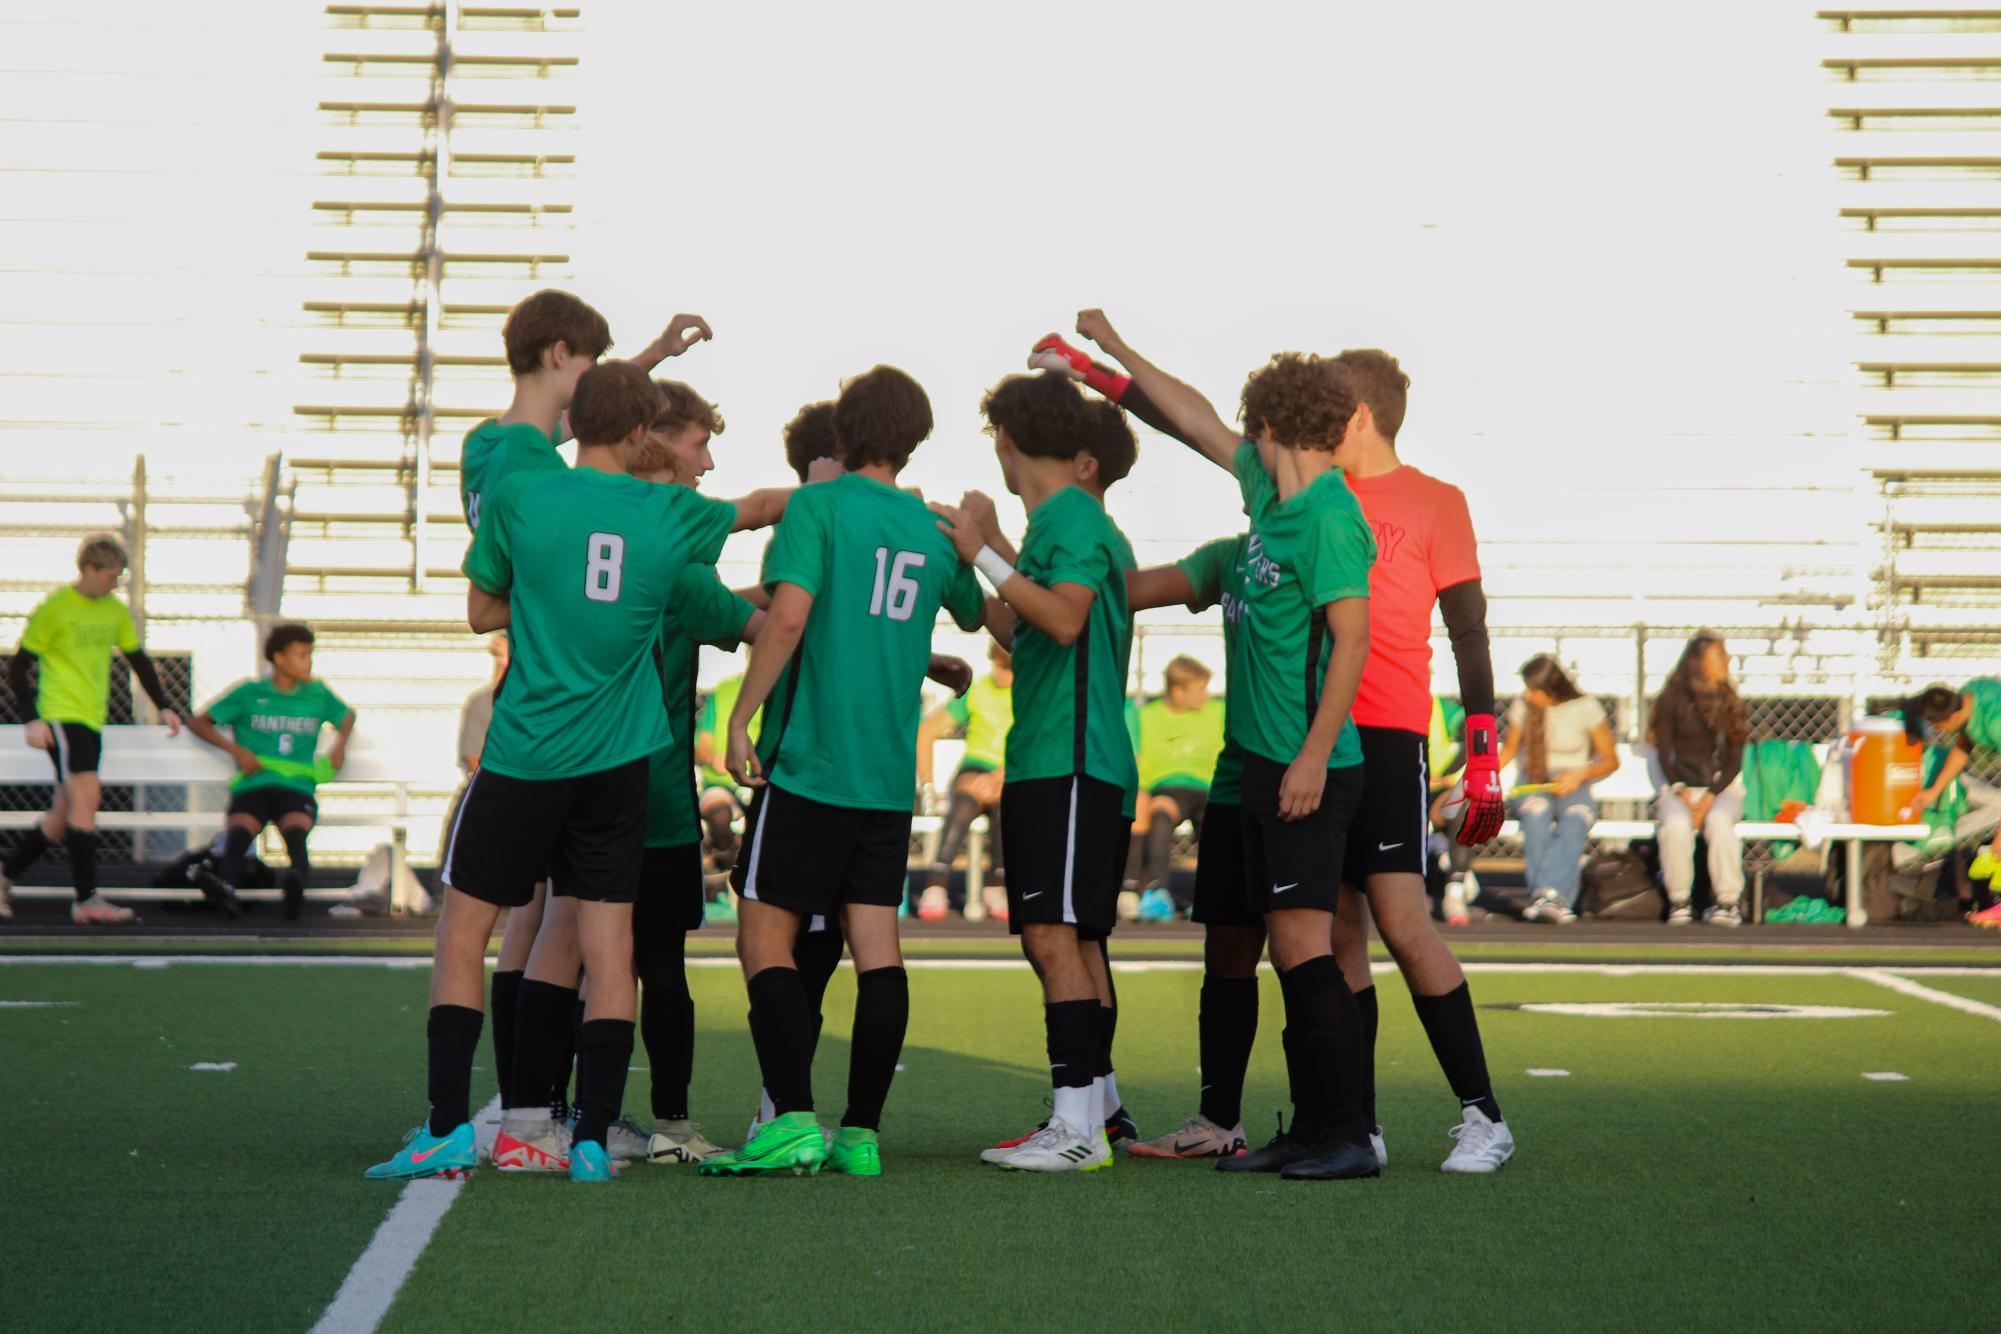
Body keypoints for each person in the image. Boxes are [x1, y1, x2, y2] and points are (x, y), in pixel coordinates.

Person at [366, 360, 744, 1185]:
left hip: (529, 752)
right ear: (644, 434)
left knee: (468, 935)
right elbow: (757, 521)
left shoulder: (523, 495)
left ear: (577, 419)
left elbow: (479, 610)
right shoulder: (668, 513)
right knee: (611, 951)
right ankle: (590, 1138)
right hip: (620, 763)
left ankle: (449, 1128)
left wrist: (550, 599)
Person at [1072, 311, 1380, 1182]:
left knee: (1301, 946)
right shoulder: (1265, 498)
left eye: (1250, 426)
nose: (1237, 438)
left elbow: (1351, 640)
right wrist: (1116, 352)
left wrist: (1314, 757)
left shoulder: (1325, 515)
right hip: (1247, 764)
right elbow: (1193, 419)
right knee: (1233, 944)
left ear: (1270, 426)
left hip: (1303, 765)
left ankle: (1343, 1135)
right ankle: (1239, 1121)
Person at [493, 378, 794, 1175]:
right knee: (635, 958)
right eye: (698, 444)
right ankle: (643, 1120)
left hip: (544, 763)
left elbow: (493, 603)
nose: (707, 460)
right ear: (649, 442)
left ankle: (532, 1113)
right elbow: (757, 601)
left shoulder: (562, 512)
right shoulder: (665, 538)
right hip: (636, 789)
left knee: (536, 936)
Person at [704, 364, 985, 1179]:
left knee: (763, 935)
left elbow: (787, 617)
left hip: (813, 766)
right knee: (877, 946)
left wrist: (738, 716)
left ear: (841, 436)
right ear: (914, 439)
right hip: (887, 779)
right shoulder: (931, 529)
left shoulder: (817, 507)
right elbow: (970, 613)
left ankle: (791, 1116)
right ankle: (860, 1133)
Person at [932, 369, 1141, 1173]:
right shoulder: (1061, 523)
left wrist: (983, 546)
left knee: (1055, 937)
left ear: (1007, 442)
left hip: (1071, 761)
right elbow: (1024, 630)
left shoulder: (1071, 520)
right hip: (1063, 760)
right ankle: (1098, 1111)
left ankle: (1076, 1128)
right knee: (1072, 939)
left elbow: (1060, 617)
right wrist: (974, 570)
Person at [1122, 533, 1255, 1159]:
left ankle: (1344, 1121)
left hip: (1300, 778)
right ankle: (1217, 1121)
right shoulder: (1230, 555)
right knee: (1226, 947)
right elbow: (1124, 590)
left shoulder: (1329, 530)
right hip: (1225, 787)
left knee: (1318, 946)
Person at [0, 533, 184, 925]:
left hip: (91, 717)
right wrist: (31, 718)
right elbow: (18, 668)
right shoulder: (54, 608)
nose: (113, 583)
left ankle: (3, 876)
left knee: (63, 812)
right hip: (61, 715)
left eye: (119, 576)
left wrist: (165, 706)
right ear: (88, 569)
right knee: (88, 796)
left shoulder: (114, 612)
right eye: (109, 575)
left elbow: (139, 660)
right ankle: (86, 898)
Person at [183, 623, 355, 921]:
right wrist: (235, 750)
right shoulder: (250, 692)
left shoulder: (317, 693)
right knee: (240, 829)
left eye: (309, 655)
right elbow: (199, 722)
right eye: (301, 655)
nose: (308, 662)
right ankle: (226, 888)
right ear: (279, 658)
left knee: (296, 829)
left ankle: (295, 885)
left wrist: (339, 745)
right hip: (255, 782)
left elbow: (347, 715)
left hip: (297, 785)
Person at [1498, 655, 1619, 924]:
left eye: (1534, 689)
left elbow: (1610, 759)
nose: (1529, 695)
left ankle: (1549, 895)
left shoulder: (1585, 707)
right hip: (1534, 781)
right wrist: (1479, 775)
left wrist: (1581, 773)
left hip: (1574, 780)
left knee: (1576, 818)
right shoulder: (1524, 706)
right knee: (1536, 815)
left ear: (1552, 688)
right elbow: (1508, 750)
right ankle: (1552, 897)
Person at [1649, 633, 1748, 928]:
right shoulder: (1671, 699)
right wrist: (1680, 790)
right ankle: (1680, 899)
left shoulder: (1730, 699)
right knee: (1676, 825)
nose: (1726, 661)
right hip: (1679, 788)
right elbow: (1665, 753)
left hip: (1721, 788)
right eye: (1720, 656)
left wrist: (1710, 796)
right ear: (1700, 661)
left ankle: (1727, 902)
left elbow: (1734, 760)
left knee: (1719, 823)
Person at [914, 642, 1013, 921]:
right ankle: (936, 884)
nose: (997, 671)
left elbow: (1040, 741)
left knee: (1007, 800)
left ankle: (997, 885)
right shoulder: (978, 691)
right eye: (994, 663)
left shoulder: (1032, 693)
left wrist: (999, 777)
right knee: (967, 797)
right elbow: (927, 731)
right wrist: (929, 786)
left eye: (1004, 667)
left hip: (1012, 770)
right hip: (976, 765)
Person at [1131, 655, 1225, 920]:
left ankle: (1211, 895)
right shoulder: (1146, 715)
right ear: (1177, 691)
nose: (1205, 696)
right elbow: (1136, 759)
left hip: (1208, 789)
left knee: (1216, 820)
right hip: (1167, 790)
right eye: (1199, 689)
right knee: (1160, 813)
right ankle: (1156, 892)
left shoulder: (1218, 711)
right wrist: (1142, 790)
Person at [1906, 679, 2001, 927]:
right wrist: (1934, 790)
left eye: (1936, 725)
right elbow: (1963, 746)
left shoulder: (1995, 723)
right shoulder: (1971, 693)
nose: (1935, 729)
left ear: (1952, 717)